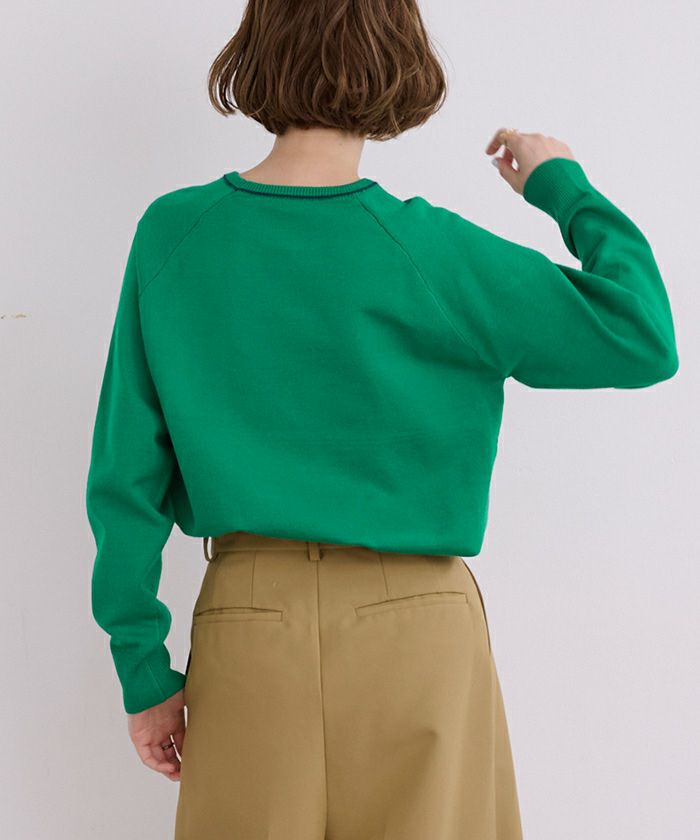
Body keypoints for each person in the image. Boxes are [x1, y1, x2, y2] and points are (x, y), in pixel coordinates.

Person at [84, 2, 679, 838]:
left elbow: (125, 476)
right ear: (396, 60)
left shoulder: (174, 235)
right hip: (417, 630)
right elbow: (642, 335)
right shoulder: (434, 252)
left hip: (251, 625)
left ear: (256, 51)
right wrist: (562, 186)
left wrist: (143, 672)